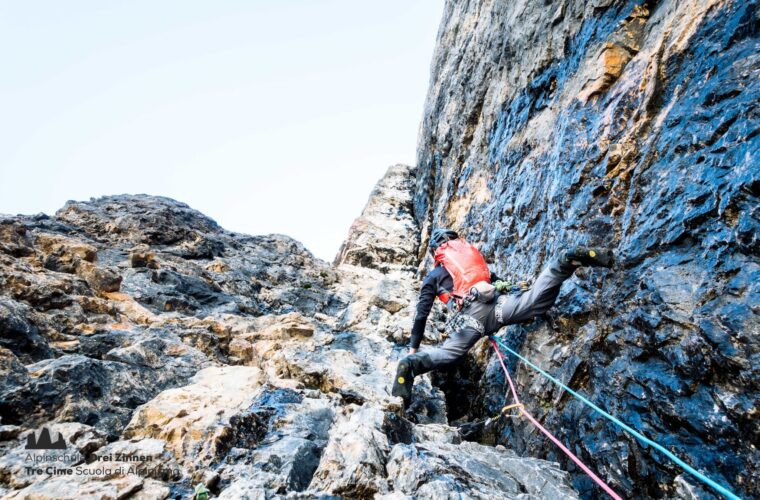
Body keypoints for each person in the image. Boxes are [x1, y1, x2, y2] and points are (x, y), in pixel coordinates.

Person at [391, 228, 613, 405]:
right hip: (498, 306)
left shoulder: (434, 275)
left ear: (435, 252)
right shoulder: (474, 264)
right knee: (535, 302)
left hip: (472, 321)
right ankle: (564, 263)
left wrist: (413, 347)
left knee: (449, 355)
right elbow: (498, 283)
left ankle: (409, 366)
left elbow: (422, 314)